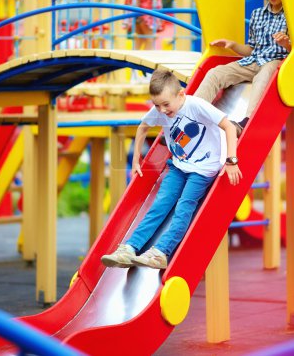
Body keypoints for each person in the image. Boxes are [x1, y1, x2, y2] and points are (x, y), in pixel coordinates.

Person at [101, 69, 242, 270]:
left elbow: (228, 126)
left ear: (181, 95)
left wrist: (231, 161)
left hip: (203, 169)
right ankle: (129, 248)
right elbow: (143, 127)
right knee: (160, 204)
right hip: (178, 166)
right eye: (157, 105)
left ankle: (161, 252)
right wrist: (136, 160)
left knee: (184, 207)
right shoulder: (160, 109)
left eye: (166, 104)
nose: (162, 110)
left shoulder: (196, 106)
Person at [194, 0, 292, 136]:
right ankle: (192, 116)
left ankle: (247, 121)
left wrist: (287, 44)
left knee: (262, 77)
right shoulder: (257, 14)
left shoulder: (290, 15)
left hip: (277, 64)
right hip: (253, 61)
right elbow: (251, 49)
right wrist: (233, 45)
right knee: (216, 73)